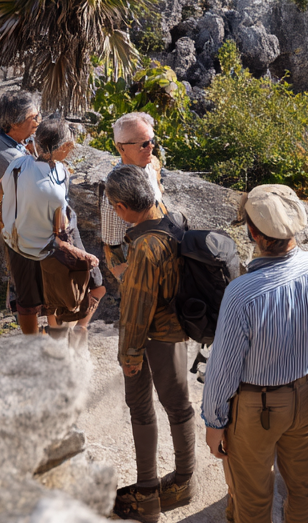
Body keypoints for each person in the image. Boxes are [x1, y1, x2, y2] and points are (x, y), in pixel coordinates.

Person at [202, 184, 308, 523]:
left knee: (252, 497)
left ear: (252, 232)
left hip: (259, 407)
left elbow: (224, 368)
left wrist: (214, 421)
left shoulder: (242, 293)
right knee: (303, 488)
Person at [105, 163, 196, 523]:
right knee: (179, 406)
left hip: (150, 339)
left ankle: (147, 496)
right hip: (176, 331)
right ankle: (184, 481)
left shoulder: (144, 247)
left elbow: (136, 309)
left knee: (141, 408)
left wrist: (128, 356)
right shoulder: (175, 219)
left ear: (122, 209)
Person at [0, 116, 103, 336]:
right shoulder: (54, 188)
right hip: (43, 249)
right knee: (61, 295)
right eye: (71, 144)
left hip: (16, 242)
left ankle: (33, 343)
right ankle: (63, 337)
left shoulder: (18, 163)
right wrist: (84, 256)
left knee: (27, 300)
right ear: (64, 146)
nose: (72, 148)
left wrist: (6, 224)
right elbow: (58, 236)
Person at [100, 112, 167, 282]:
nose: (151, 147)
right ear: (121, 147)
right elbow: (112, 245)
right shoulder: (116, 188)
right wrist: (131, 284)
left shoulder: (152, 164)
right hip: (143, 271)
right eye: (144, 144)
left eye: (152, 141)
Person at [0, 90, 39, 193]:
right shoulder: (13, 159)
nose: (37, 123)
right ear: (15, 123)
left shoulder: (6, 141)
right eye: (34, 118)